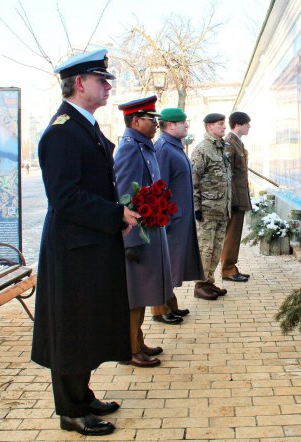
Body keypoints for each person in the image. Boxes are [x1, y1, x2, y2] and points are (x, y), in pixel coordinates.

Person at [31, 49, 139, 436]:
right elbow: (65, 197)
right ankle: (71, 410)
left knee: (88, 323)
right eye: (101, 80)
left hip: (90, 243)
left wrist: (116, 216)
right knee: (72, 328)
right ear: (79, 83)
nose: (108, 86)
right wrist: (114, 215)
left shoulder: (84, 125)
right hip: (73, 249)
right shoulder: (62, 131)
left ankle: (84, 393)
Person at [114, 96, 175, 366]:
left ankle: (138, 340)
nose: (156, 124)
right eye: (152, 120)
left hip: (150, 231)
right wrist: (132, 241)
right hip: (138, 235)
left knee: (142, 291)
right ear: (136, 120)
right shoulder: (129, 149)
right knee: (135, 293)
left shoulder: (143, 146)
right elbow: (125, 196)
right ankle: (130, 349)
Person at [150, 108, 204, 321]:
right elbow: (159, 188)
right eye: (183, 122)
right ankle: (159, 309)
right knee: (166, 265)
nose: (187, 125)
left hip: (179, 218)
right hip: (171, 221)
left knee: (173, 265)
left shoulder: (174, 146)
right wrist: (165, 219)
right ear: (170, 125)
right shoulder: (164, 148)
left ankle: (170, 304)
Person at [191, 113, 232, 300]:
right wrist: (196, 207)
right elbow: (193, 181)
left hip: (222, 209)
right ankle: (200, 285)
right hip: (207, 210)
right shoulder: (202, 150)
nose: (224, 127)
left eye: (224, 124)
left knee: (216, 249)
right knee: (205, 249)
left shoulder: (222, 148)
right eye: (220, 124)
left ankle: (209, 282)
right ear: (209, 127)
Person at [220, 112, 252, 282]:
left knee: (235, 234)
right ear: (238, 124)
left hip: (240, 196)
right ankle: (228, 270)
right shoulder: (229, 144)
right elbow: (227, 174)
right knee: (231, 235)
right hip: (235, 199)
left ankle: (231, 266)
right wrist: (231, 199)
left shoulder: (237, 143)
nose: (249, 127)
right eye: (247, 124)